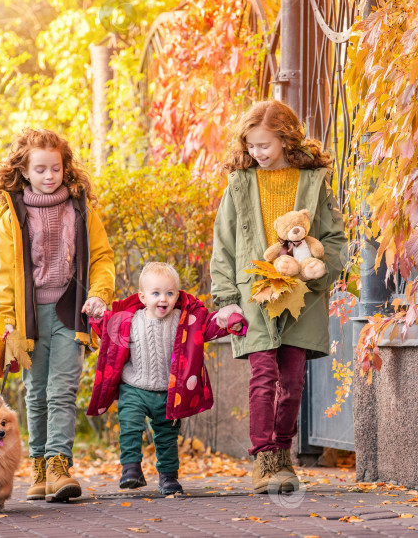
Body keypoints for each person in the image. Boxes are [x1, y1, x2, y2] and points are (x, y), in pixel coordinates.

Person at [209, 100, 347, 494]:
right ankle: (264, 458)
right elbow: (224, 244)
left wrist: (318, 272)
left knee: (291, 379)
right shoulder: (239, 184)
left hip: (300, 291)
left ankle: (283, 455)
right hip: (254, 292)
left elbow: (335, 238)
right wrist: (226, 299)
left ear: (286, 140)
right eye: (251, 146)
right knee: (263, 374)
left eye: (265, 145)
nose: (257, 153)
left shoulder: (315, 182)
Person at [0, 128, 115, 502]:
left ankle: (60, 465)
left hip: (70, 311)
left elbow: (102, 257)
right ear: (24, 171)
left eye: (55, 168)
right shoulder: (13, 215)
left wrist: (99, 294)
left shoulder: (79, 208)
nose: (49, 176)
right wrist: (5, 317)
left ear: (64, 168)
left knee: (63, 390)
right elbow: (1, 273)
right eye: (40, 169)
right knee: (35, 392)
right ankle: (39, 467)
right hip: (29, 318)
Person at [86, 262, 246, 494]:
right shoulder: (129, 320)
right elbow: (106, 328)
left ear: (177, 295)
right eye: (156, 293)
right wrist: (96, 313)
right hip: (134, 388)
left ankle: (168, 477)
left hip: (169, 392)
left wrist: (230, 320)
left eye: (170, 293)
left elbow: (210, 326)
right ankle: (131, 469)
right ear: (142, 297)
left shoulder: (184, 319)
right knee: (130, 427)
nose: (163, 299)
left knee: (167, 436)